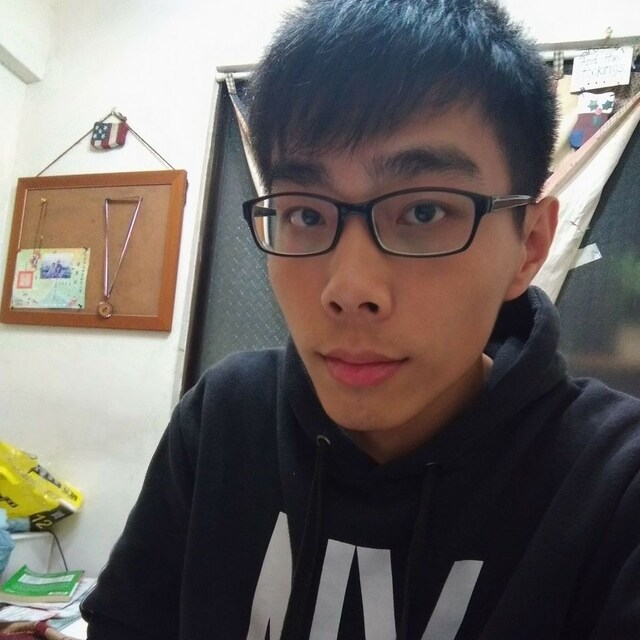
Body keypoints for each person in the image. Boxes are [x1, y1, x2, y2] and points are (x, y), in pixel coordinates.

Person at [81, 0, 640, 638]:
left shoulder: (613, 487)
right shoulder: (225, 420)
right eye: (306, 213)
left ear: (529, 246)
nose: (349, 289)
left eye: (424, 212)